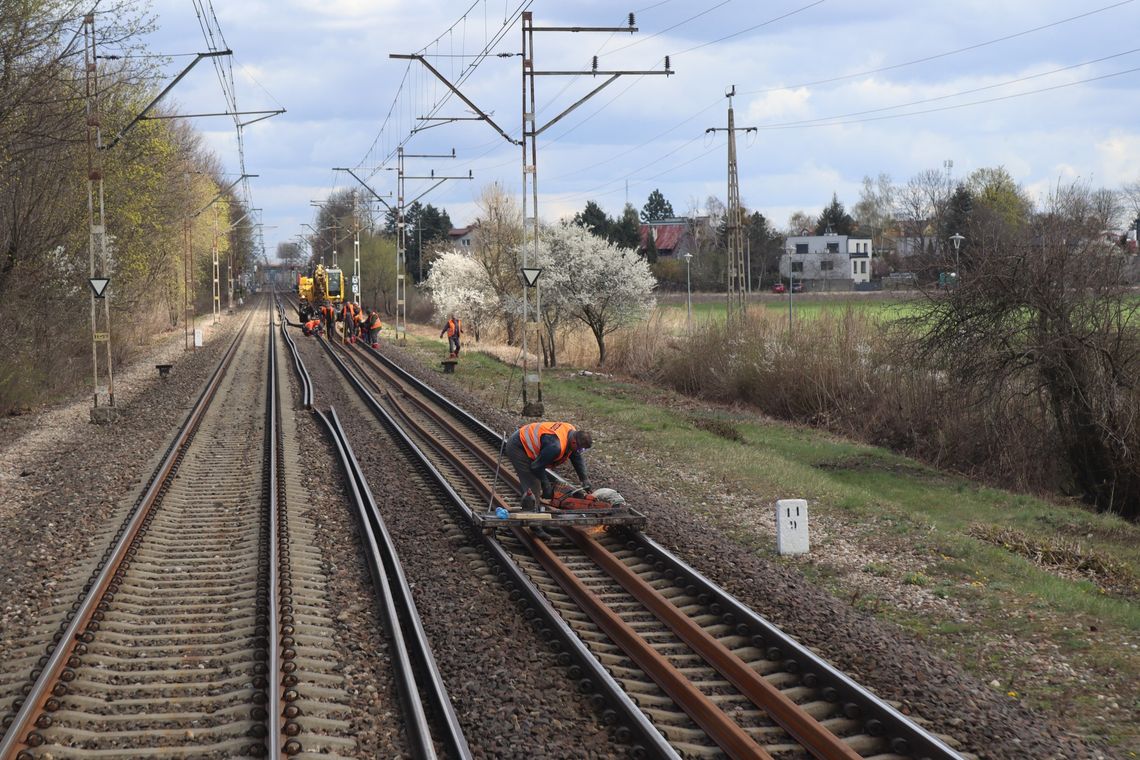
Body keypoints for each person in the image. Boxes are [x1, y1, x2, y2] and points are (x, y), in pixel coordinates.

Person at [504, 421, 593, 511]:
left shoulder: (572, 433)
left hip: (528, 440)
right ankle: (531, 514)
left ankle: (535, 509)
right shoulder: (555, 446)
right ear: (574, 442)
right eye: (581, 449)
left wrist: (584, 479)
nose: (580, 451)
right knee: (533, 483)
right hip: (518, 446)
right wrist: (546, 485)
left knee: (541, 480)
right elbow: (536, 467)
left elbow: (576, 457)